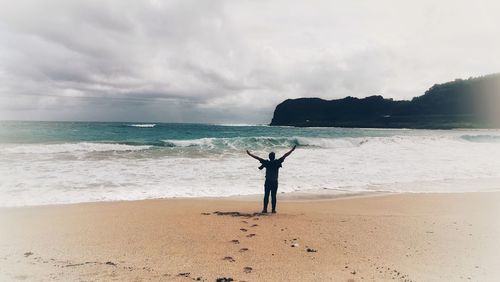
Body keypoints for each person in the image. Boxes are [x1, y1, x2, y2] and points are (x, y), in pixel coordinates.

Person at [246, 145, 296, 213]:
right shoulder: (277, 162)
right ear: (274, 157)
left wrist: (249, 154)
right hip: (274, 182)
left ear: (269, 157)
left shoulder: (266, 163)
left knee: (266, 195)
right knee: (273, 196)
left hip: (268, 181)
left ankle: (265, 209)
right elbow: (285, 155)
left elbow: (257, 158)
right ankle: (273, 210)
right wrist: (292, 150)